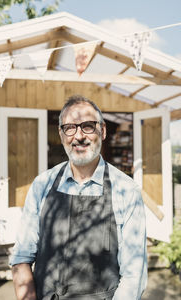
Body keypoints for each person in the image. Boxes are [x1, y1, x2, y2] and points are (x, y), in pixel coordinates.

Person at [10, 95, 147, 300]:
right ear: (61, 133)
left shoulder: (126, 191)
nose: (79, 136)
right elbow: (22, 258)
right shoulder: (42, 185)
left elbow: (133, 276)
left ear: (102, 131)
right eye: (70, 127)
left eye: (88, 126)